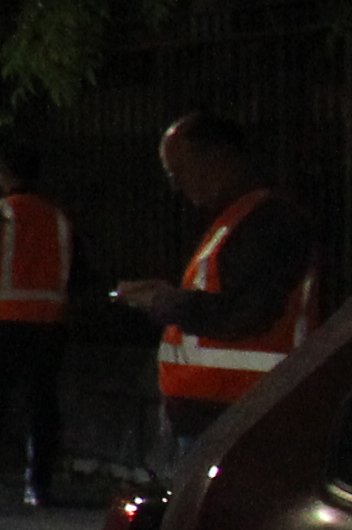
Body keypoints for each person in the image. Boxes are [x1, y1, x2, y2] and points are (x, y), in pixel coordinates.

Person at [115, 111, 318, 448]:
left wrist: (165, 301)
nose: (176, 185)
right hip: (224, 414)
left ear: (218, 157)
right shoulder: (240, 219)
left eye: (178, 169)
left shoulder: (269, 221)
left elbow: (246, 313)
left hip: (241, 415)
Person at [0, 147, 72, 504]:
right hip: (48, 323)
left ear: (5, 174)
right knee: (42, 403)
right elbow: (79, 271)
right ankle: (38, 483)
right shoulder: (58, 217)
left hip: (2, 321)